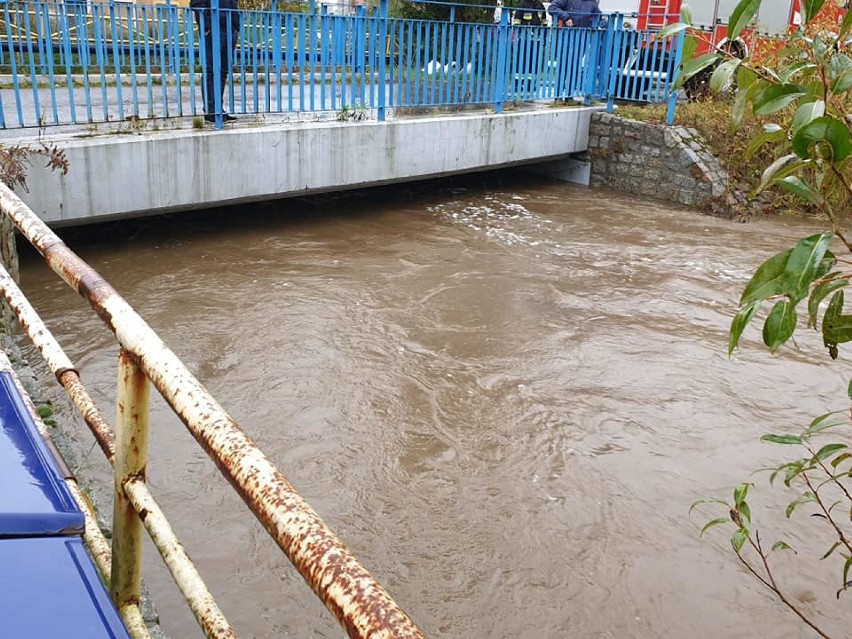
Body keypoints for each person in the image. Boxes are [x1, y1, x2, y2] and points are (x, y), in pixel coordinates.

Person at [190, 0, 241, 123]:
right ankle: (211, 110)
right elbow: (196, 5)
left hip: (230, 29)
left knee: (223, 71)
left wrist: (236, 27)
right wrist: (208, 26)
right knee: (211, 70)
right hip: (214, 30)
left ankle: (218, 109)